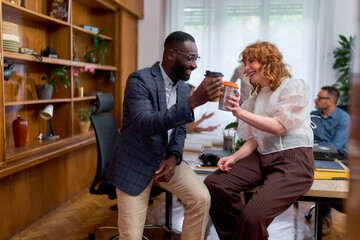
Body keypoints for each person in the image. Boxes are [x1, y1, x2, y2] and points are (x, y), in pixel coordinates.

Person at [106, 31, 223, 240]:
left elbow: (180, 129)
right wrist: (193, 103)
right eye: (190, 58)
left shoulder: (184, 89)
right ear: (171, 55)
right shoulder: (139, 80)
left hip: (165, 162)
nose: (194, 65)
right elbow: (146, 123)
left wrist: (174, 156)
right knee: (131, 236)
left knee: (201, 198)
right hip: (135, 163)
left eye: (196, 58)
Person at [204, 41, 315, 240]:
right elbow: (256, 138)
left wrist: (240, 112)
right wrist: (234, 158)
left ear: (268, 62)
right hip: (263, 157)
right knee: (215, 184)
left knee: (252, 218)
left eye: (251, 61)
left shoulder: (294, 86)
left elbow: (279, 126)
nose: (246, 68)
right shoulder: (257, 97)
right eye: (245, 62)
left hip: (293, 161)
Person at [311, 86, 350, 235]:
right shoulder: (313, 115)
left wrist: (316, 146)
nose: (316, 99)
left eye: (320, 98)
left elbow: (336, 146)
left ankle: (325, 215)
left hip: (338, 155)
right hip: (316, 153)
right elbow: (306, 138)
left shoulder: (344, 118)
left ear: (331, 101)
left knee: (324, 172)